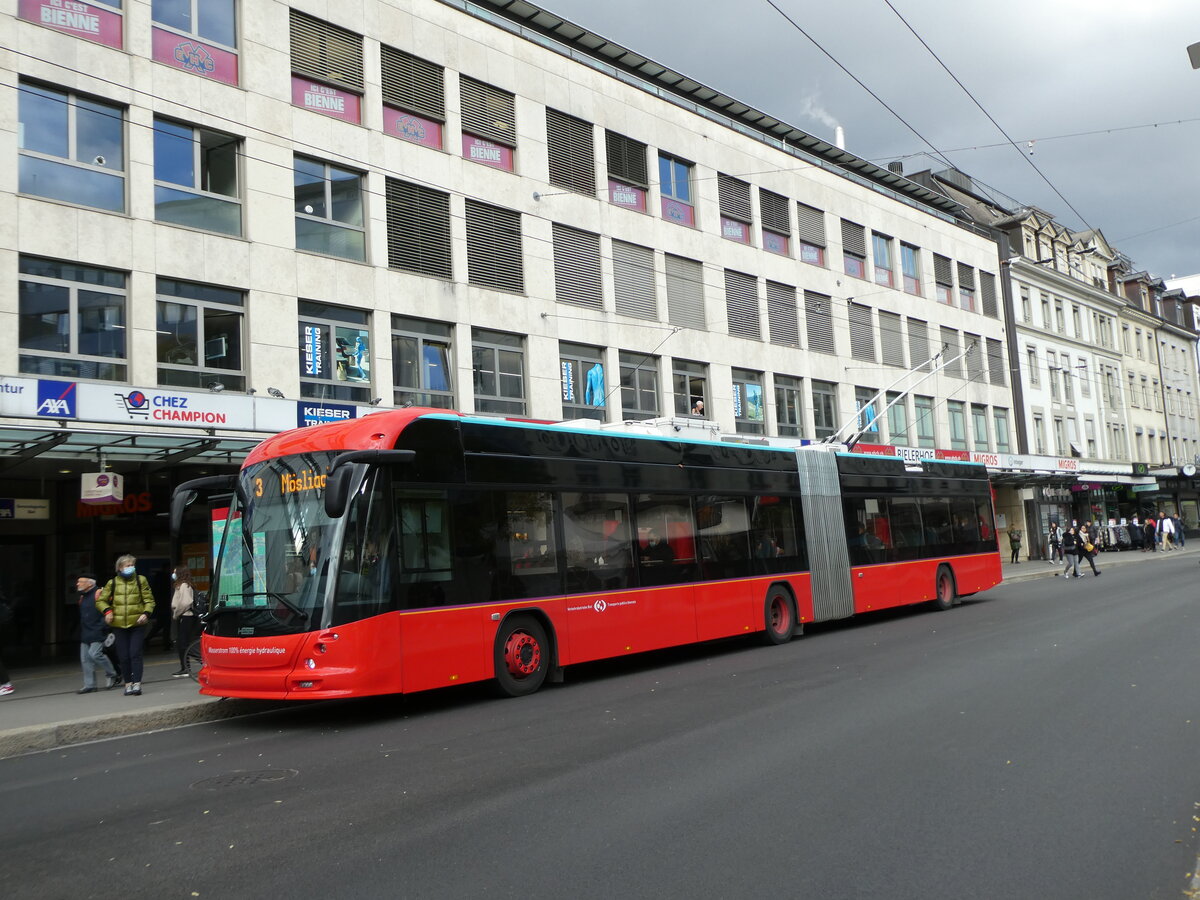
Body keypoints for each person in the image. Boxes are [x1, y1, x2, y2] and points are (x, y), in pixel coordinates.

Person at [97, 554, 156, 696]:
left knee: (135, 653)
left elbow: (150, 600)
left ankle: (137, 684)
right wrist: (107, 611)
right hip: (118, 625)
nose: (131, 568)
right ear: (119, 568)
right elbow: (101, 601)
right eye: (127, 565)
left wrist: (146, 614)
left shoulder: (140, 580)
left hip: (137, 623)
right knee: (123, 656)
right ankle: (128, 684)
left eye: (132, 565)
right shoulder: (113, 583)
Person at [76, 573, 119, 694]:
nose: (78, 584)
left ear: (90, 583)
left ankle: (112, 674)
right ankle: (89, 685)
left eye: (81, 581)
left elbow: (109, 610)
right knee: (85, 659)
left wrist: (102, 626)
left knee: (94, 654)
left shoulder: (99, 593)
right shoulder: (83, 597)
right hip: (86, 632)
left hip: (98, 631)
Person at [170, 565, 197, 678]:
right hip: (185, 617)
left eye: (175, 572)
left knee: (183, 643)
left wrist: (176, 613)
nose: (173, 574)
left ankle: (186, 668)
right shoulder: (181, 585)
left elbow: (186, 602)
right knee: (183, 643)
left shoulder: (185, 586)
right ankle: (185, 667)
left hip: (186, 616)